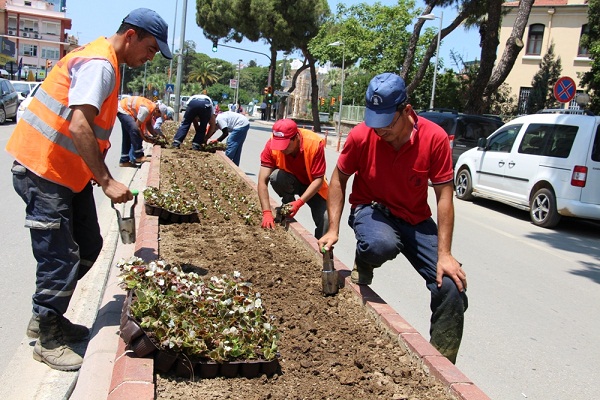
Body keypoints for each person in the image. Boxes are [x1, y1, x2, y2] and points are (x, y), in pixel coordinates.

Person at [5, 8, 172, 371]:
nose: (150, 56)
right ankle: (47, 336)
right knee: (60, 256)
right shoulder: (101, 64)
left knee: (89, 245)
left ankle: (47, 314)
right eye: (150, 48)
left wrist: (96, 176)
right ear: (131, 35)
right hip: (43, 169)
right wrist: (108, 181)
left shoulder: (106, 60)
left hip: (67, 173)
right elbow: (80, 125)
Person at [317, 73, 468, 364]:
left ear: (406, 111)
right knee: (380, 244)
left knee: (452, 287)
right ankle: (365, 260)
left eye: (387, 121)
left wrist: (445, 254)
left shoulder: (434, 138)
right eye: (374, 121)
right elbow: (339, 178)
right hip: (372, 209)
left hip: (415, 218)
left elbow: (444, 197)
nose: (380, 129)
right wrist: (333, 228)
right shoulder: (363, 135)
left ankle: (441, 365)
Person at [259, 119, 328, 239]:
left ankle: (323, 253)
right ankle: (287, 203)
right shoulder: (271, 144)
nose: (281, 149)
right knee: (276, 177)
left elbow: (318, 179)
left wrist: (299, 203)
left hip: (313, 185)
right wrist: (266, 212)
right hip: (291, 180)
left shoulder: (314, 143)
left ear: (296, 137)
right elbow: (262, 181)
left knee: (326, 218)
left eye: (285, 145)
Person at [117, 96, 163, 167]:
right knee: (133, 129)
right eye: (158, 116)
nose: (157, 118)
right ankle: (139, 156)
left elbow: (148, 124)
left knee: (127, 135)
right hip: (123, 109)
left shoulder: (152, 109)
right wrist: (145, 138)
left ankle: (124, 160)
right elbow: (137, 127)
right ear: (157, 110)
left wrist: (155, 136)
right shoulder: (146, 110)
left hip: (126, 110)